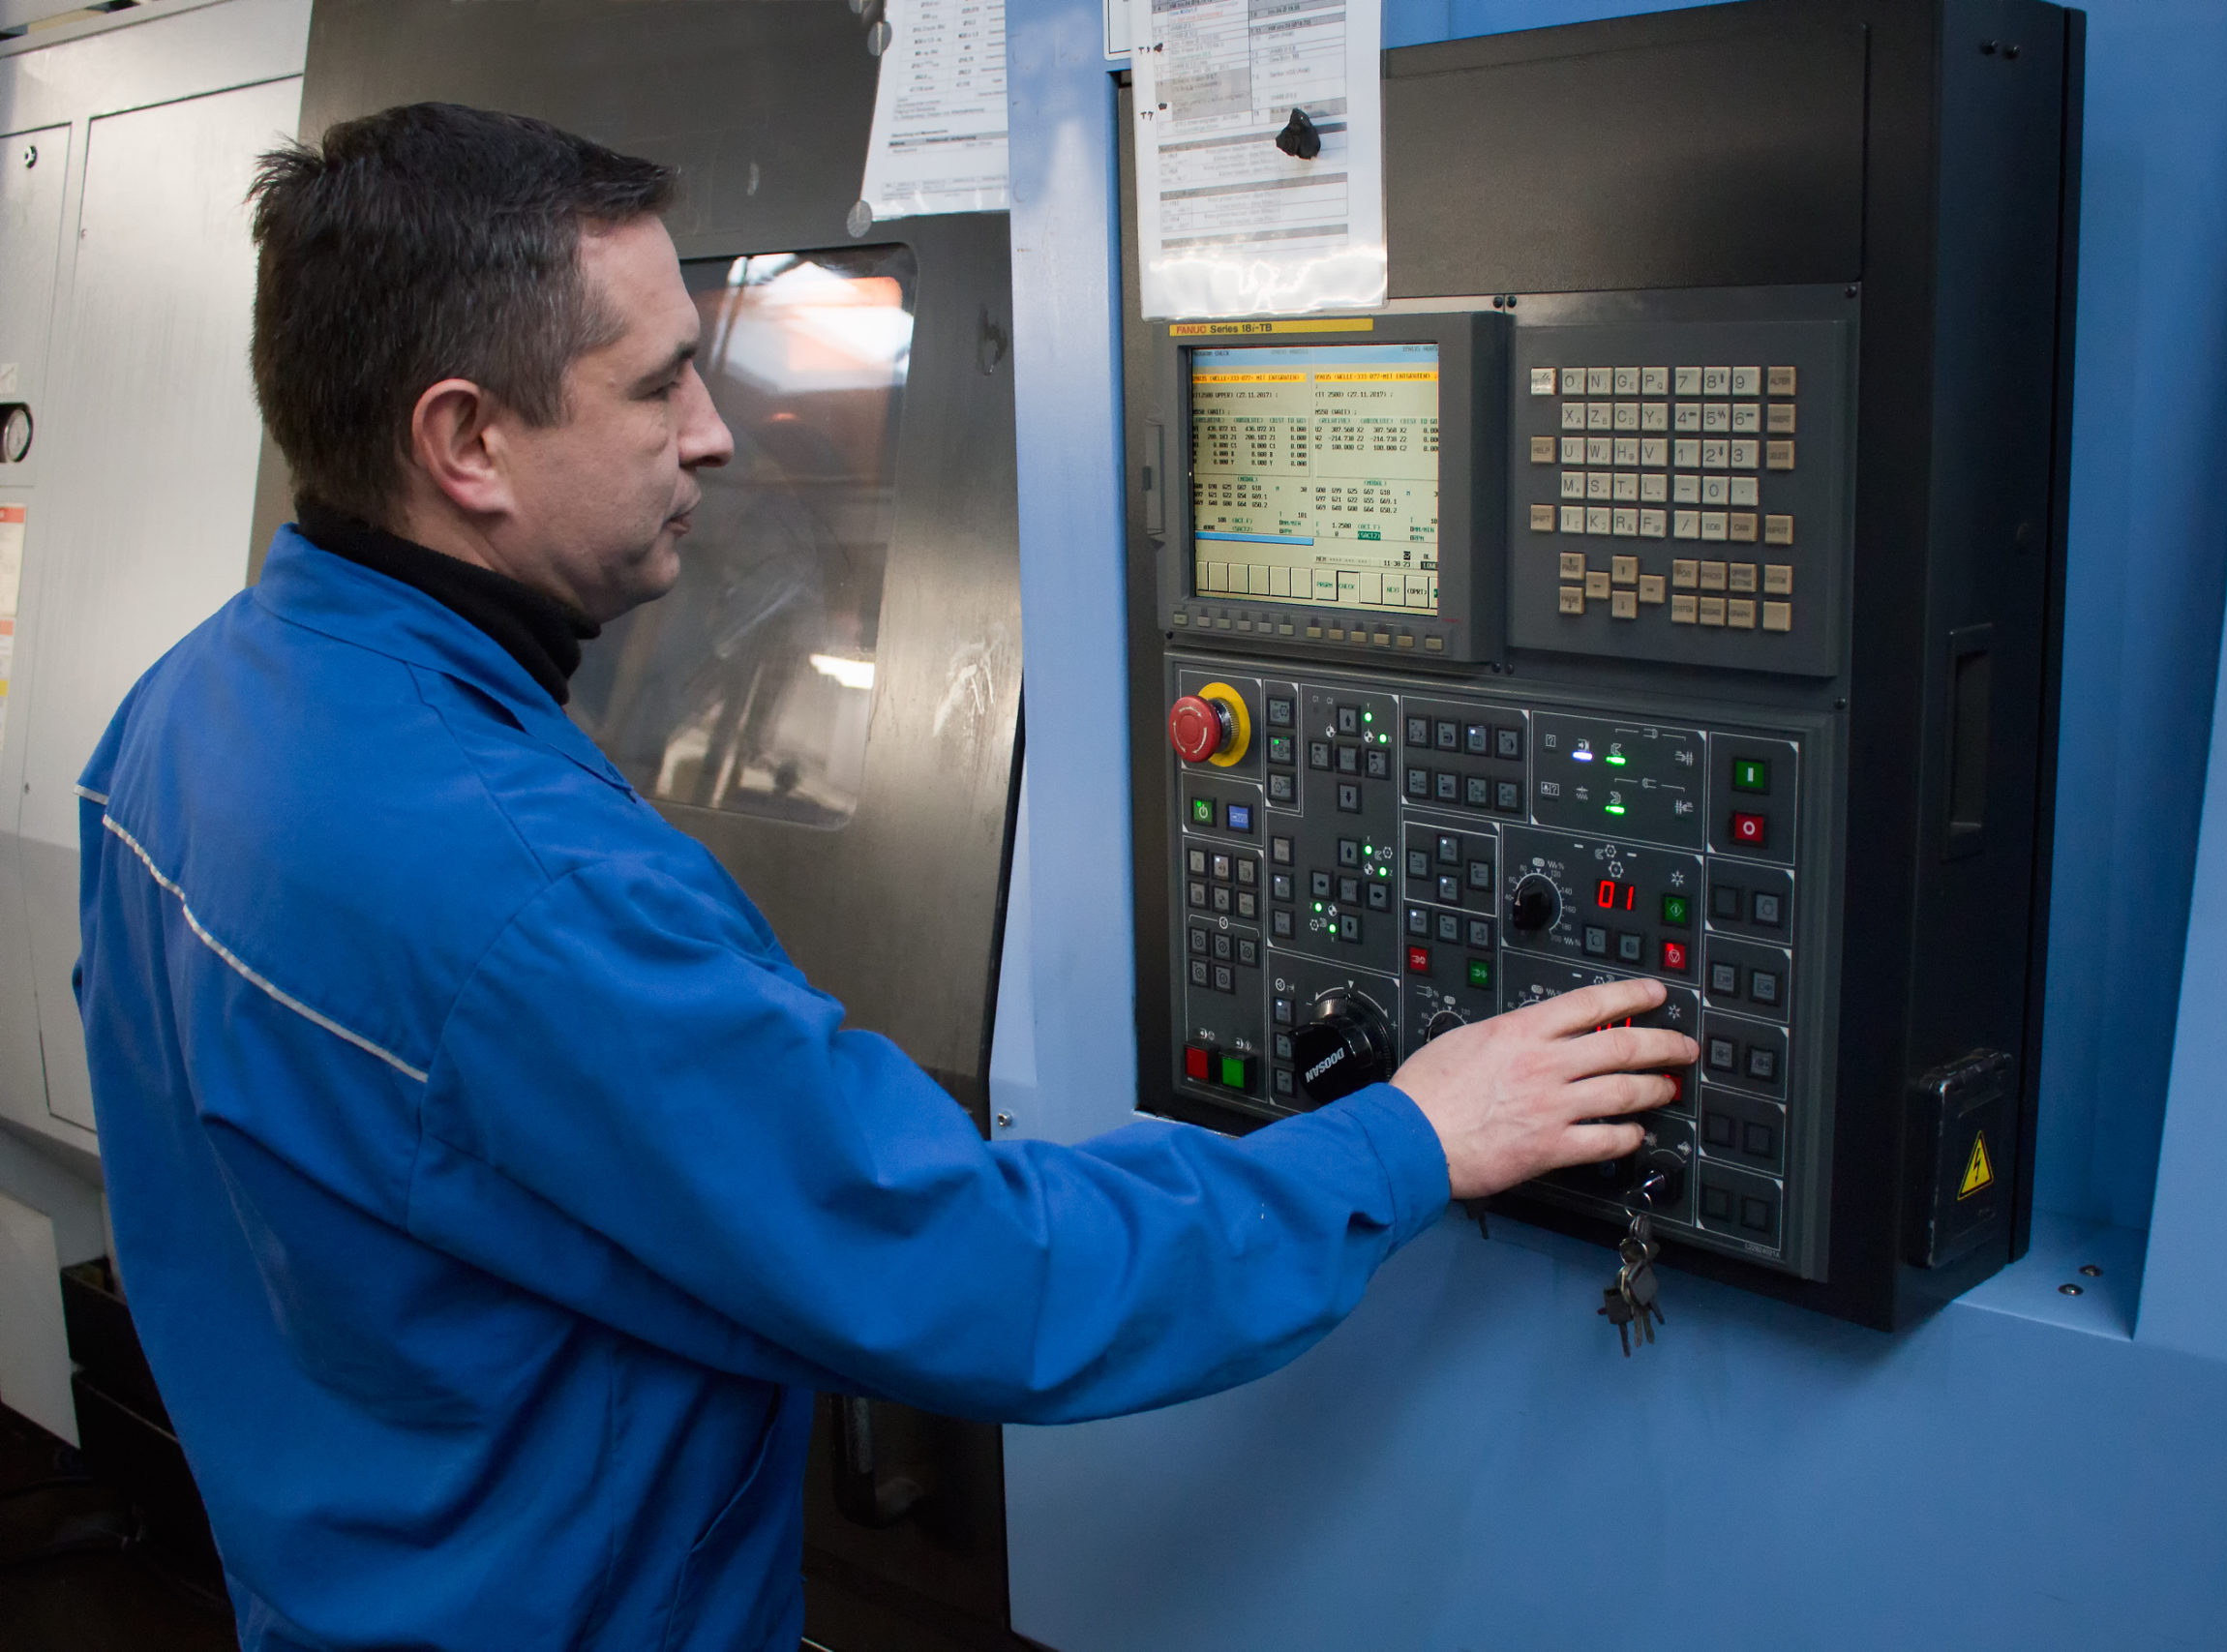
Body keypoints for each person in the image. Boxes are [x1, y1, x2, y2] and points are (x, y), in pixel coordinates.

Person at [75, 103, 1694, 1651]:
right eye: (657, 386)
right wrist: (1410, 1140)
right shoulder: (534, 902)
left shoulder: (181, 718)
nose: (713, 435)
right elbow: (985, 1274)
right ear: (466, 440)